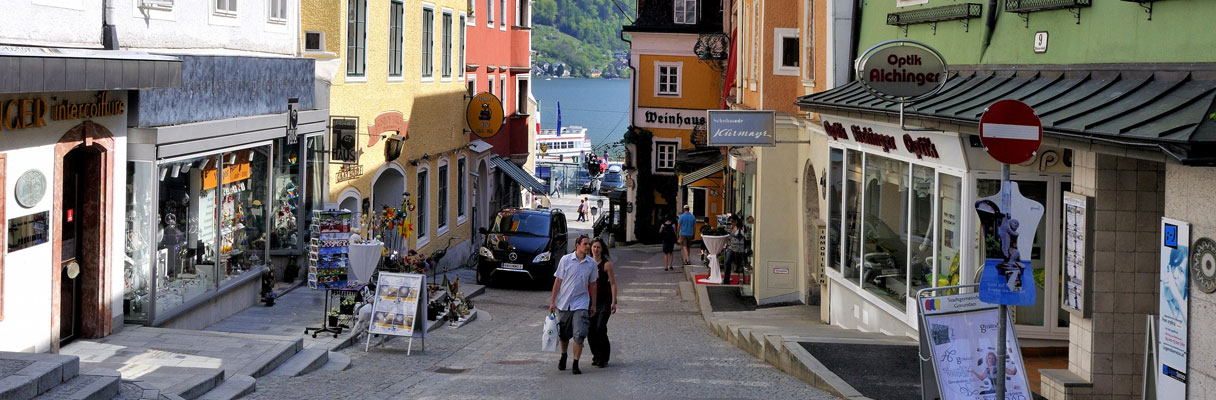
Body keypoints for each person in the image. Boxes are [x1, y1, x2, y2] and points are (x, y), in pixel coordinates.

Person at [549, 235, 598, 375]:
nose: (588, 247)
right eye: (585, 244)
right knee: (564, 334)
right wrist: (552, 301)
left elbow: (593, 284)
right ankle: (564, 355)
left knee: (579, 334)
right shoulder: (566, 260)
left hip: (581, 303)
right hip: (565, 302)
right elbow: (558, 281)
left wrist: (593, 304)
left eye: (589, 244)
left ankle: (576, 363)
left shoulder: (591, 264)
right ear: (577, 245)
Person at [587, 238, 618, 368]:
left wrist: (614, 301)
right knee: (590, 330)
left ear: (602, 249)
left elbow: (613, 283)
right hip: (590, 300)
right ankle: (596, 355)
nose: (596, 249)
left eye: (598, 247)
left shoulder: (606, 265)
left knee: (600, 327)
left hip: (605, 300)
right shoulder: (587, 263)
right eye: (594, 247)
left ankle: (604, 357)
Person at [723, 215, 746, 285]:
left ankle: (740, 279)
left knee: (738, 264)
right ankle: (726, 280)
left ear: (736, 221)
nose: (732, 223)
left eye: (732, 221)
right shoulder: (733, 227)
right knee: (728, 262)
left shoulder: (742, 227)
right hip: (732, 247)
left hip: (739, 248)